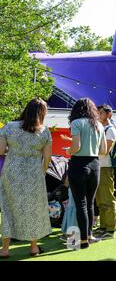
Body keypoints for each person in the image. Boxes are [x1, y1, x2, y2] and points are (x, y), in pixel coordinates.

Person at [0, 98, 53, 258]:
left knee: (9, 208)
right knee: (33, 209)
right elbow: (47, 158)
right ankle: (34, 247)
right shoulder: (44, 131)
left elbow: (1, 150)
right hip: (34, 174)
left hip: (12, 173)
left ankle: (4, 249)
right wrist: (42, 173)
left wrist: (13, 148)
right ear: (42, 113)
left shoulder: (9, 127)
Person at [65, 98, 107, 249]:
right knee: (90, 203)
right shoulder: (99, 125)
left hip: (78, 164)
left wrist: (67, 151)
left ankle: (82, 241)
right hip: (95, 165)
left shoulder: (76, 123)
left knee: (80, 204)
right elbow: (103, 150)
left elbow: (76, 146)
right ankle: (89, 236)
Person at [94, 104, 116, 239]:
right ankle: (103, 226)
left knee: (107, 198)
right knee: (100, 199)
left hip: (105, 167)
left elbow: (105, 150)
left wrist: (88, 150)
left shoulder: (110, 130)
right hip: (98, 166)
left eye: (101, 113)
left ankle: (110, 229)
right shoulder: (101, 128)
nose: (98, 115)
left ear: (109, 114)